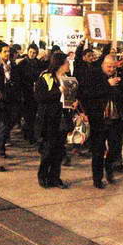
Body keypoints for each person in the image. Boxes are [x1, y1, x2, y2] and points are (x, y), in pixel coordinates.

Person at [77, 52, 123, 189]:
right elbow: (86, 94)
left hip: (116, 118)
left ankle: (109, 170)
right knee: (98, 150)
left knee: (115, 148)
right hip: (99, 119)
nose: (111, 69)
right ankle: (97, 178)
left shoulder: (122, 75)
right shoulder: (93, 75)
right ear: (102, 65)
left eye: (114, 67)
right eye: (109, 67)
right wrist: (107, 85)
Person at [34, 52, 72, 189]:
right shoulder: (46, 77)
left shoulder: (67, 78)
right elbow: (39, 97)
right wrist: (58, 91)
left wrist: (73, 102)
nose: (68, 65)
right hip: (49, 119)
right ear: (59, 64)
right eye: (66, 62)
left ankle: (55, 177)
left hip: (63, 118)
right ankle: (43, 176)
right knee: (48, 149)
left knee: (59, 150)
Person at [18, 44, 44, 144]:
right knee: (28, 115)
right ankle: (28, 134)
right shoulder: (22, 64)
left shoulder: (39, 63)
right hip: (26, 92)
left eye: (34, 53)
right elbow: (19, 78)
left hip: (36, 92)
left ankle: (32, 134)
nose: (32, 54)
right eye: (30, 52)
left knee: (34, 115)